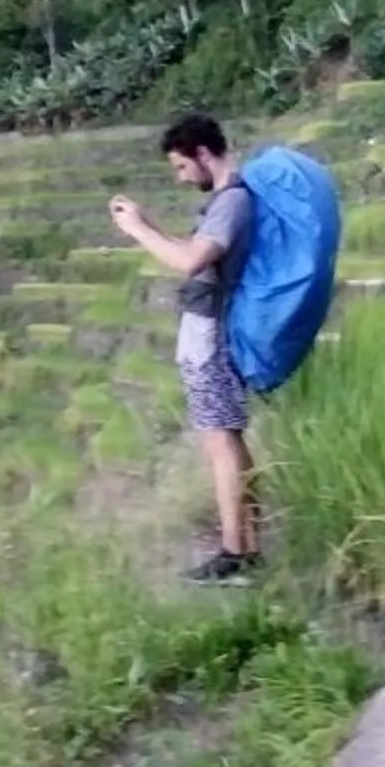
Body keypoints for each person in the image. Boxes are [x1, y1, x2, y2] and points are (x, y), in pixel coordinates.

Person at [109, 112, 259, 585]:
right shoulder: (223, 201)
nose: (181, 177)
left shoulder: (231, 202)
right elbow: (195, 254)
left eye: (180, 166)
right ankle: (247, 544)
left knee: (219, 440)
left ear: (202, 154)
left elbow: (192, 261)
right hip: (207, 328)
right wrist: (151, 226)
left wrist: (138, 231)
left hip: (210, 331)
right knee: (226, 437)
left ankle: (235, 552)